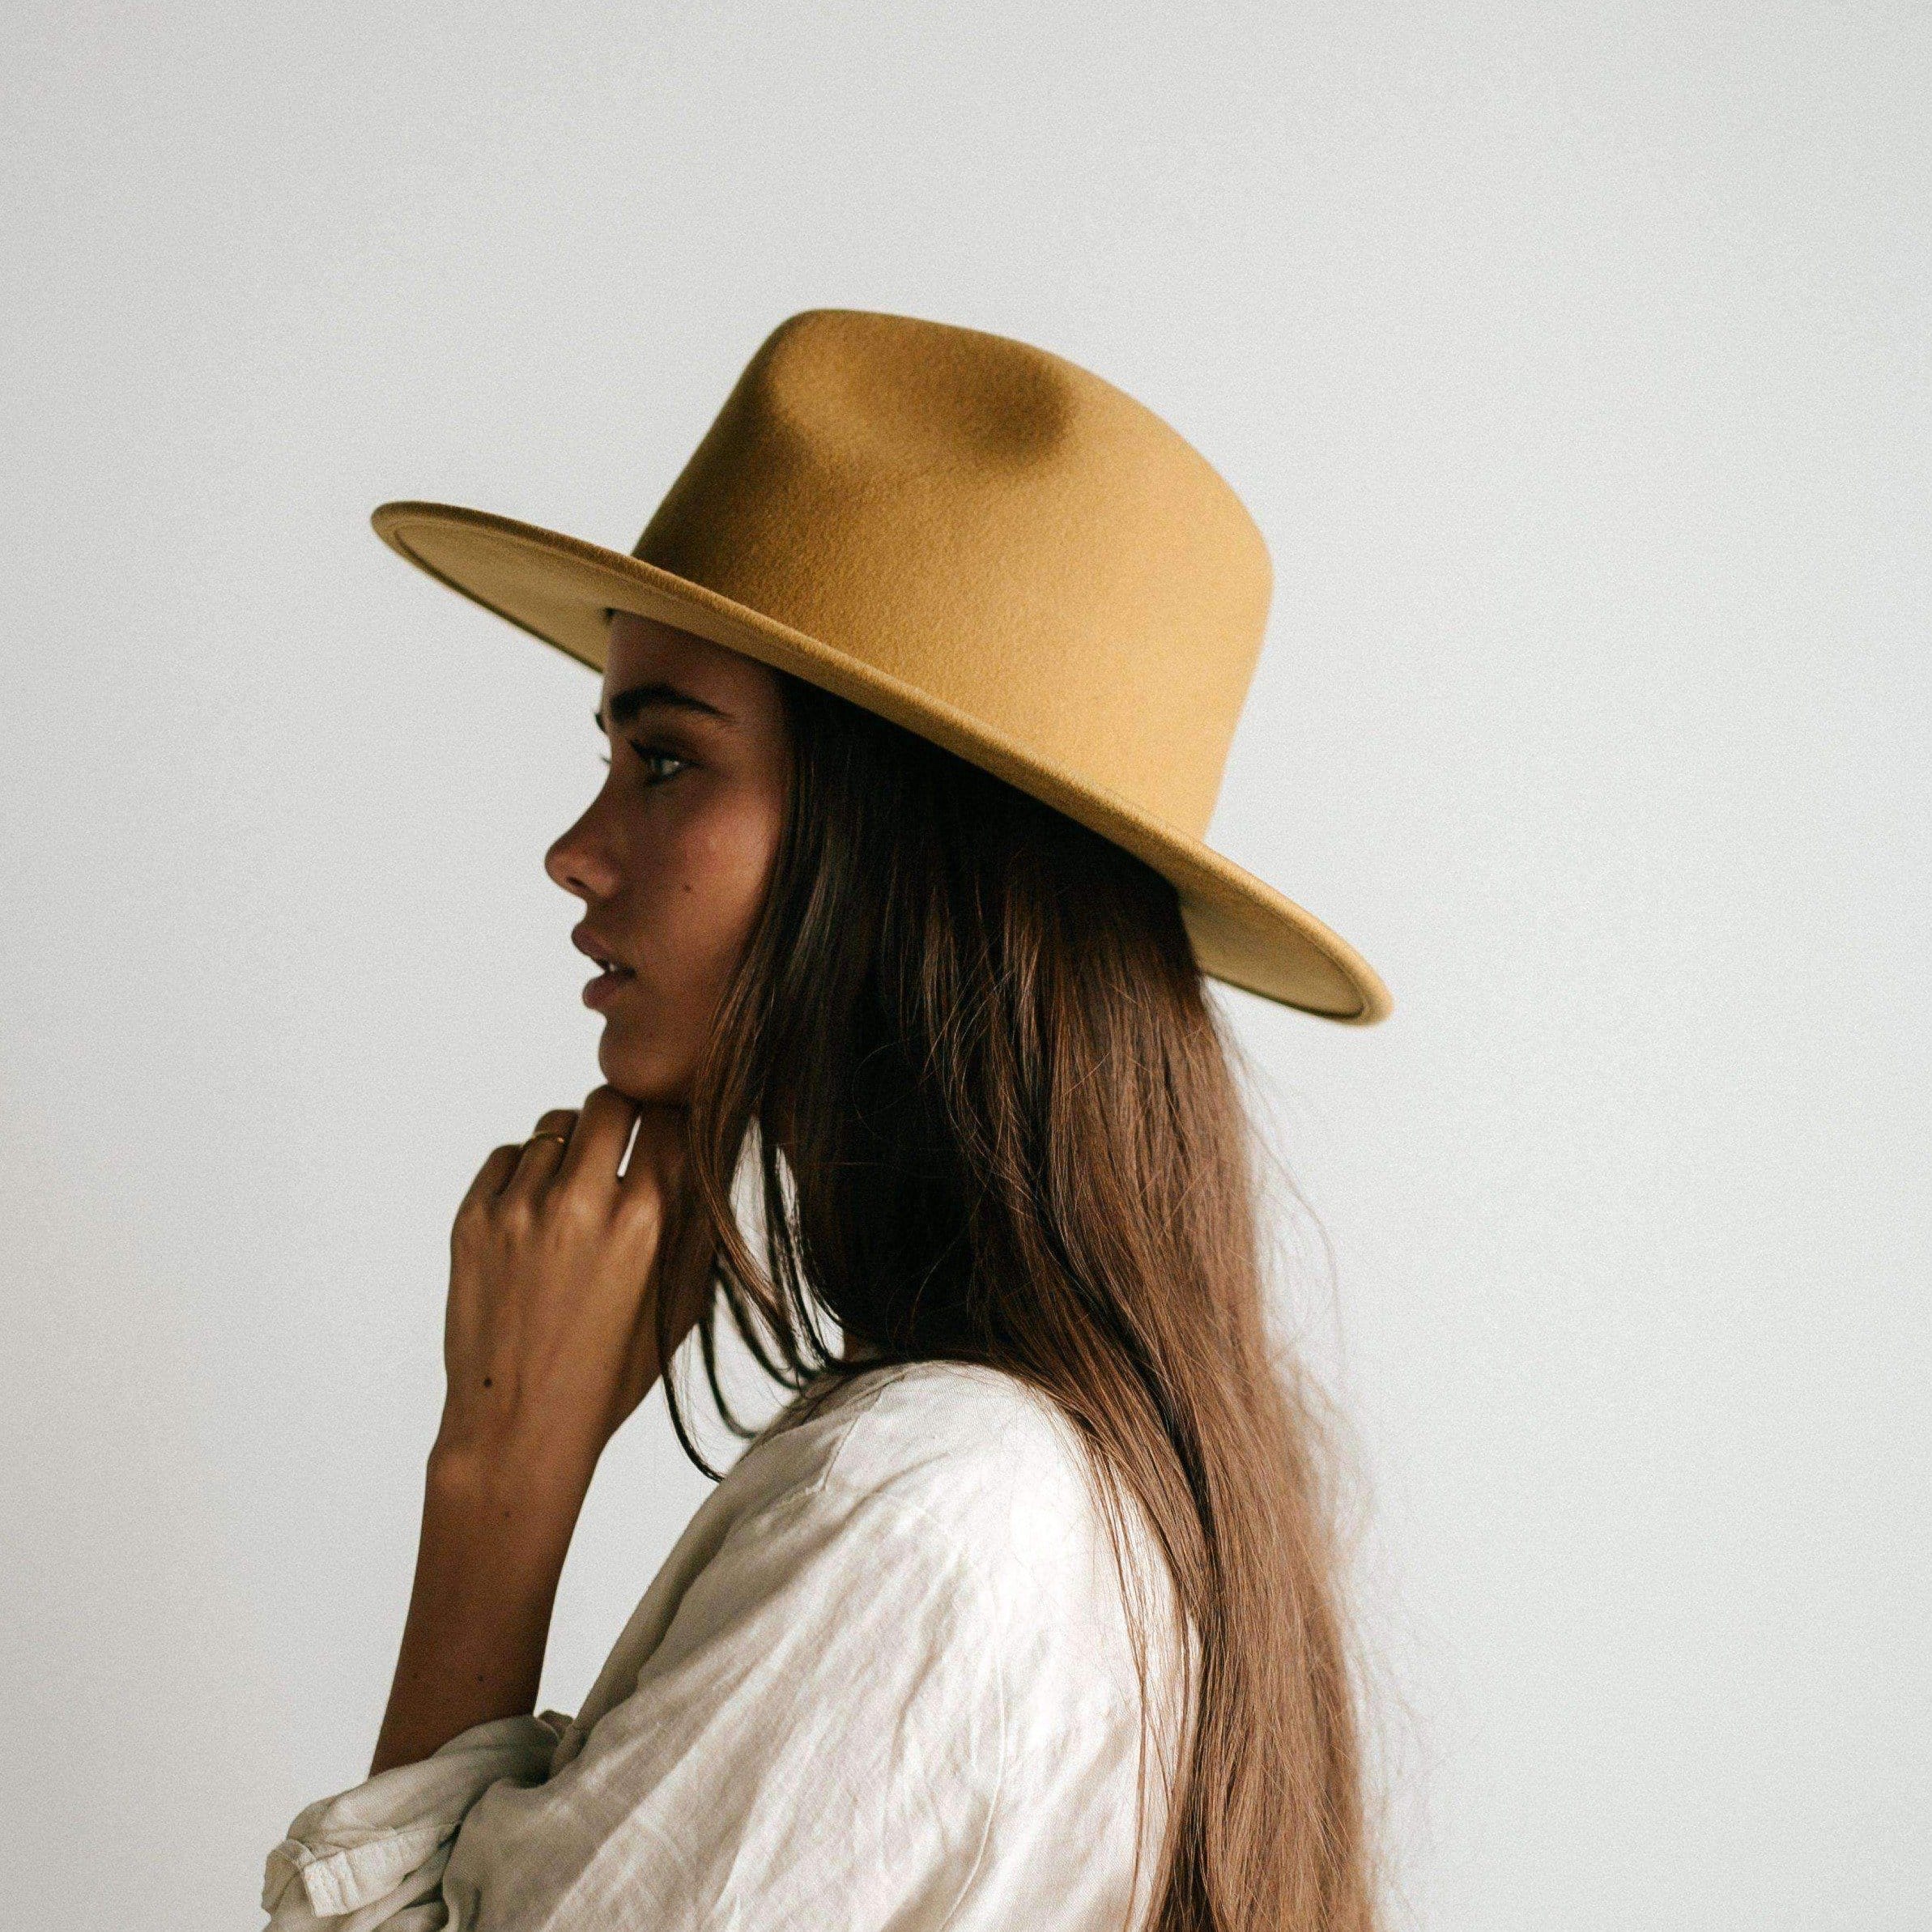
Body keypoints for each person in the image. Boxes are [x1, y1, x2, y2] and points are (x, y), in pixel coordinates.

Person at [259, 309, 1394, 1932]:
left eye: (663, 761)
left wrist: (498, 1482)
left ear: (908, 857)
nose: (576, 851)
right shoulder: (1075, 1477)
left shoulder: (939, 1508)